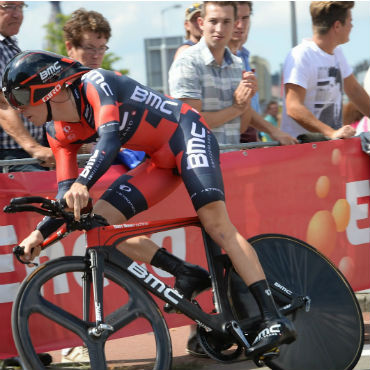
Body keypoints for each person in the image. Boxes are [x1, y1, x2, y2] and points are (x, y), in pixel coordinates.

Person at [3, 48, 296, 358]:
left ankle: (273, 319)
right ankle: (185, 272)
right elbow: (66, 197)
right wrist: (39, 234)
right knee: (99, 224)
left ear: (50, 87)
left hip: (187, 133)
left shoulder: (94, 82)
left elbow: (110, 139)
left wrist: (83, 183)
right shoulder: (58, 132)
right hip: (157, 160)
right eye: (11, 102)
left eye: (21, 98)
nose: (18, 109)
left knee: (216, 224)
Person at [169, 1, 297, 151]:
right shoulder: (187, 61)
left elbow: (241, 127)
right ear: (201, 23)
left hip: (232, 160)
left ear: (233, 24)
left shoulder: (237, 64)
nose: (219, 28)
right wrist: (236, 108)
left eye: (226, 22)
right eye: (213, 21)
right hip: (199, 164)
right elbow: (191, 121)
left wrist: (246, 100)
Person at [59, 8, 111, 364]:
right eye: (89, 49)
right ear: (70, 48)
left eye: (101, 49)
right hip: (83, 173)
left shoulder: (104, 80)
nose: (95, 57)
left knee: (111, 240)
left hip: (111, 167)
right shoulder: (58, 87)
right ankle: (76, 337)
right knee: (87, 245)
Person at [281, 1, 370, 139]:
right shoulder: (301, 55)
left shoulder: (337, 53)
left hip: (326, 147)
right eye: (350, 21)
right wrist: (330, 132)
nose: (352, 26)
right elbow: (293, 107)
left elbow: (355, 91)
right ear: (337, 26)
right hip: (300, 148)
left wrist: (331, 134)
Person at [0, 0, 54, 173]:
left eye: (20, 7)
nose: (17, 14)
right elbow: (1, 104)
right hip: (10, 155)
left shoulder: (10, 46)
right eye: (8, 6)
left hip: (31, 151)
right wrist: (34, 148)